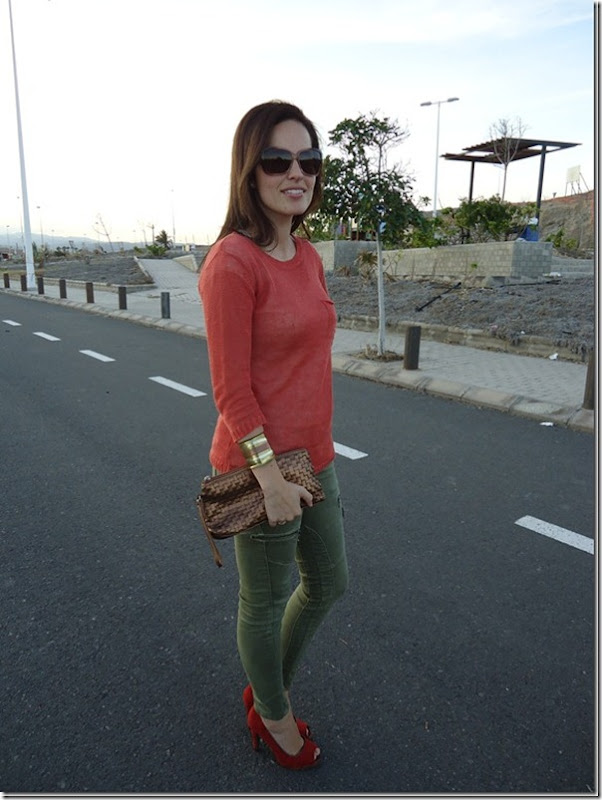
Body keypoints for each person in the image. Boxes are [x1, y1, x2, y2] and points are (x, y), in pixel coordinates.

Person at [198, 100, 348, 770]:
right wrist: (269, 480)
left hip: (316, 458)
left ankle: (265, 692)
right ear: (249, 170)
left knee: (329, 582)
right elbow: (231, 389)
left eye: (309, 160)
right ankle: (274, 715)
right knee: (261, 603)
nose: (297, 173)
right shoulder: (232, 263)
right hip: (262, 468)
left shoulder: (308, 255)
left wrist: (312, 457)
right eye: (278, 159)